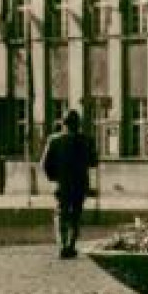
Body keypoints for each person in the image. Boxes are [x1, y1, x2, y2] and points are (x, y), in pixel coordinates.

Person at [40, 110, 96, 258]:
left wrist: (54, 177)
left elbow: (44, 164)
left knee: (61, 214)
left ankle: (63, 245)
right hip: (80, 183)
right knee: (76, 215)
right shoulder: (87, 140)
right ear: (79, 124)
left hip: (62, 184)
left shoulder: (54, 140)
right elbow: (94, 162)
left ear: (64, 124)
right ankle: (71, 245)